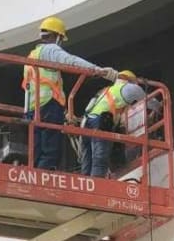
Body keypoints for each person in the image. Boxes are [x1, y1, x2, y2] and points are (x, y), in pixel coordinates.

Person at [22, 17, 119, 170]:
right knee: (51, 150)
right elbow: (70, 61)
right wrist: (99, 71)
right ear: (57, 36)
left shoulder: (32, 55)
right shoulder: (50, 50)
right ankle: (44, 179)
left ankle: (35, 176)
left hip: (32, 109)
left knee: (37, 150)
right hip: (48, 106)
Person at [80, 70, 149, 178]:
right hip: (101, 122)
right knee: (100, 157)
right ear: (130, 80)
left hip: (87, 122)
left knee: (87, 159)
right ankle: (97, 184)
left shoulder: (106, 90)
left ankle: (85, 184)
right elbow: (148, 100)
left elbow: (88, 108)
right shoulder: (129, 88)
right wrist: (160, 105)